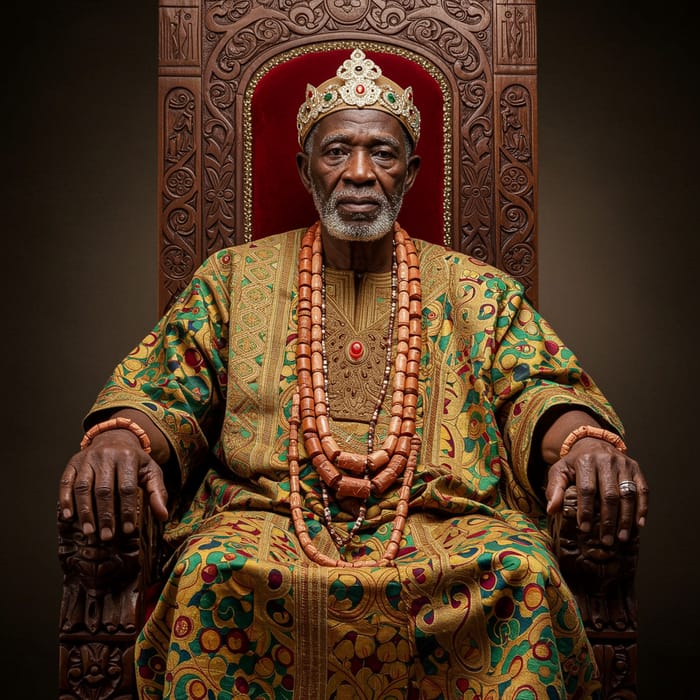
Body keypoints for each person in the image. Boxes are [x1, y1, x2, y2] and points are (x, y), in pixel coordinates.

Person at [59, 48, 648, 699]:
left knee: (522, 569)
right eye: (337, 151)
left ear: (411, 171)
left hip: (443, 523)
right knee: (208, 567)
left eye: (383, 153)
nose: (360, 173)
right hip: (271, 518)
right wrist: (122, 439)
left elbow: (536, 386)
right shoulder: (234, 278)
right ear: (305, 167)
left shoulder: (476, 289)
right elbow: (165, 387)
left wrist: (582, 441)